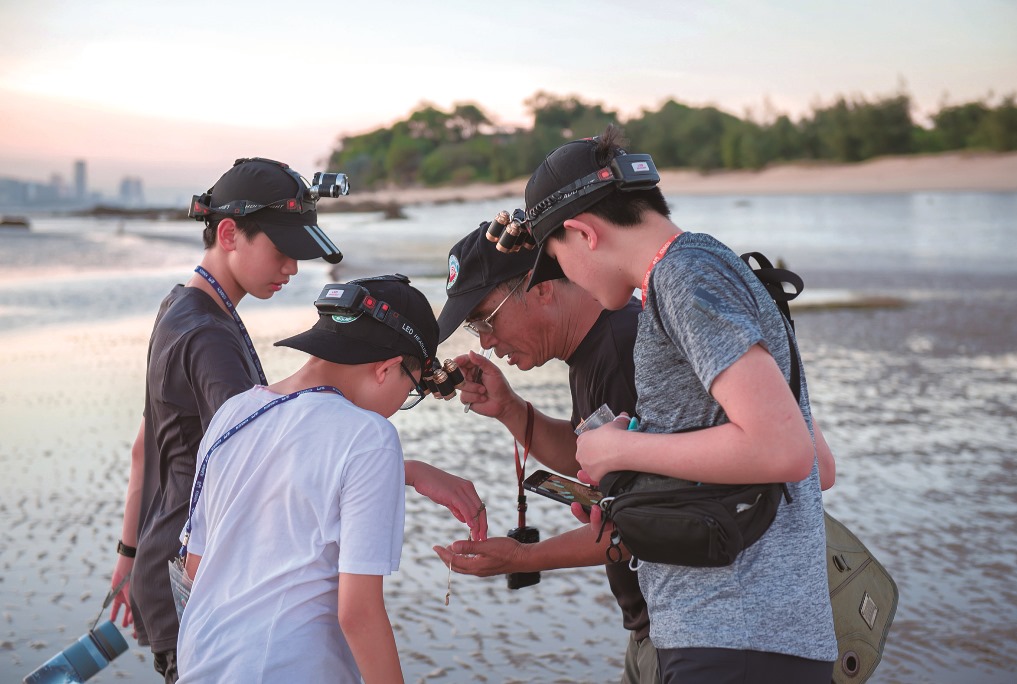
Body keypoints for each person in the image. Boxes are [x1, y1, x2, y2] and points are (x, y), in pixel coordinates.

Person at [106, 159, 486, 682]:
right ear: (228, 233)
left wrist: (129, 552)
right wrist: (406, 467)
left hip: (195, 602)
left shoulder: (187, 313)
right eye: (282, 251)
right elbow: (278, 451)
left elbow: (147, 445)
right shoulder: (210, 338)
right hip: (222, 593)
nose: (291, 268)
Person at [518, 126, 838, 684]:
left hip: (729, 634)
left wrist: (618, 445)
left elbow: (783, 450)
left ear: (581, 233)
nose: (568, 280)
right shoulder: (717, 270)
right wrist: (632, 482)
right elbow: (817, 464)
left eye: (558, 262)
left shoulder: (682, 277)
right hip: (764, 635)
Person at [175, 275, 453, 683]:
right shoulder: (369, 437)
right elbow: (359, 613)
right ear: (389, 367)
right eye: (412, 390)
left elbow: (195, 567)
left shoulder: (233, 414)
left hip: (202, 665)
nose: (399, 406)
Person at [431, 221, 658, 684]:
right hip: (649, 628)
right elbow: (590, 460)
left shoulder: (623, 348)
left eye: (484, 320)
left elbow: (645, 523)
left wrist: (520, 558)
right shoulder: (597, 344)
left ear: (540, 289)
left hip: (684, 627)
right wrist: (511, 410)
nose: (484, 343)